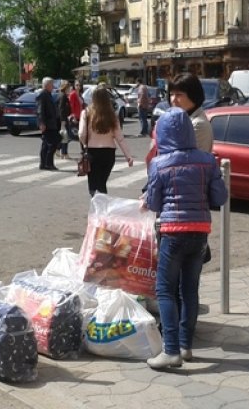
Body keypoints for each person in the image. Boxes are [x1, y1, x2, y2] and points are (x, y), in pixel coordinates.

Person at [143, 107, 227, 369]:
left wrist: (147, 198)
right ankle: (186, 346)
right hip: (200, 232)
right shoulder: (207, 160)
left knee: (165, 290)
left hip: (172, 232)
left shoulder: (159, 163)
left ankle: (170, 351)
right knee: (190, 290)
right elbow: (220, 198)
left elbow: (154, 202)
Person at [79, 84, 134, 196]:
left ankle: (97, 208)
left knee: (93, 183)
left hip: (92, 152)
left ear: (93, 98)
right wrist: (128, 156)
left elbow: (81, 133)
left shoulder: (86, 113)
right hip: (108, 153)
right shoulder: (112, 115)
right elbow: (120, 138)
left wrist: (85, 142)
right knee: (102, 182)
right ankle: (102, 207)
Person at [37, 77, 59, 170]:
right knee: (51, 144)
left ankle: (44, 163)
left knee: (46, 144)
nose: (53, 86)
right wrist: (42, 123)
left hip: (51, 123)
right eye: (51, 84)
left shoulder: (48, 94)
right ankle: (48, 163)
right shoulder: (43, 95)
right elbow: (40, 110)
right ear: (46, 85)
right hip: (48, 124)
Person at [57, 80, 72, 159]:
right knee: (66, 136)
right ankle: (64, 152)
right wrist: (63, 120)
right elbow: (61, 109)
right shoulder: (62, 96)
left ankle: (61, 151)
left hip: (65, 118)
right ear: (65, 88)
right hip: (63, 119)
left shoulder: (64, 95)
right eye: (69, 88)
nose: (70, 89)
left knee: (65, 136)